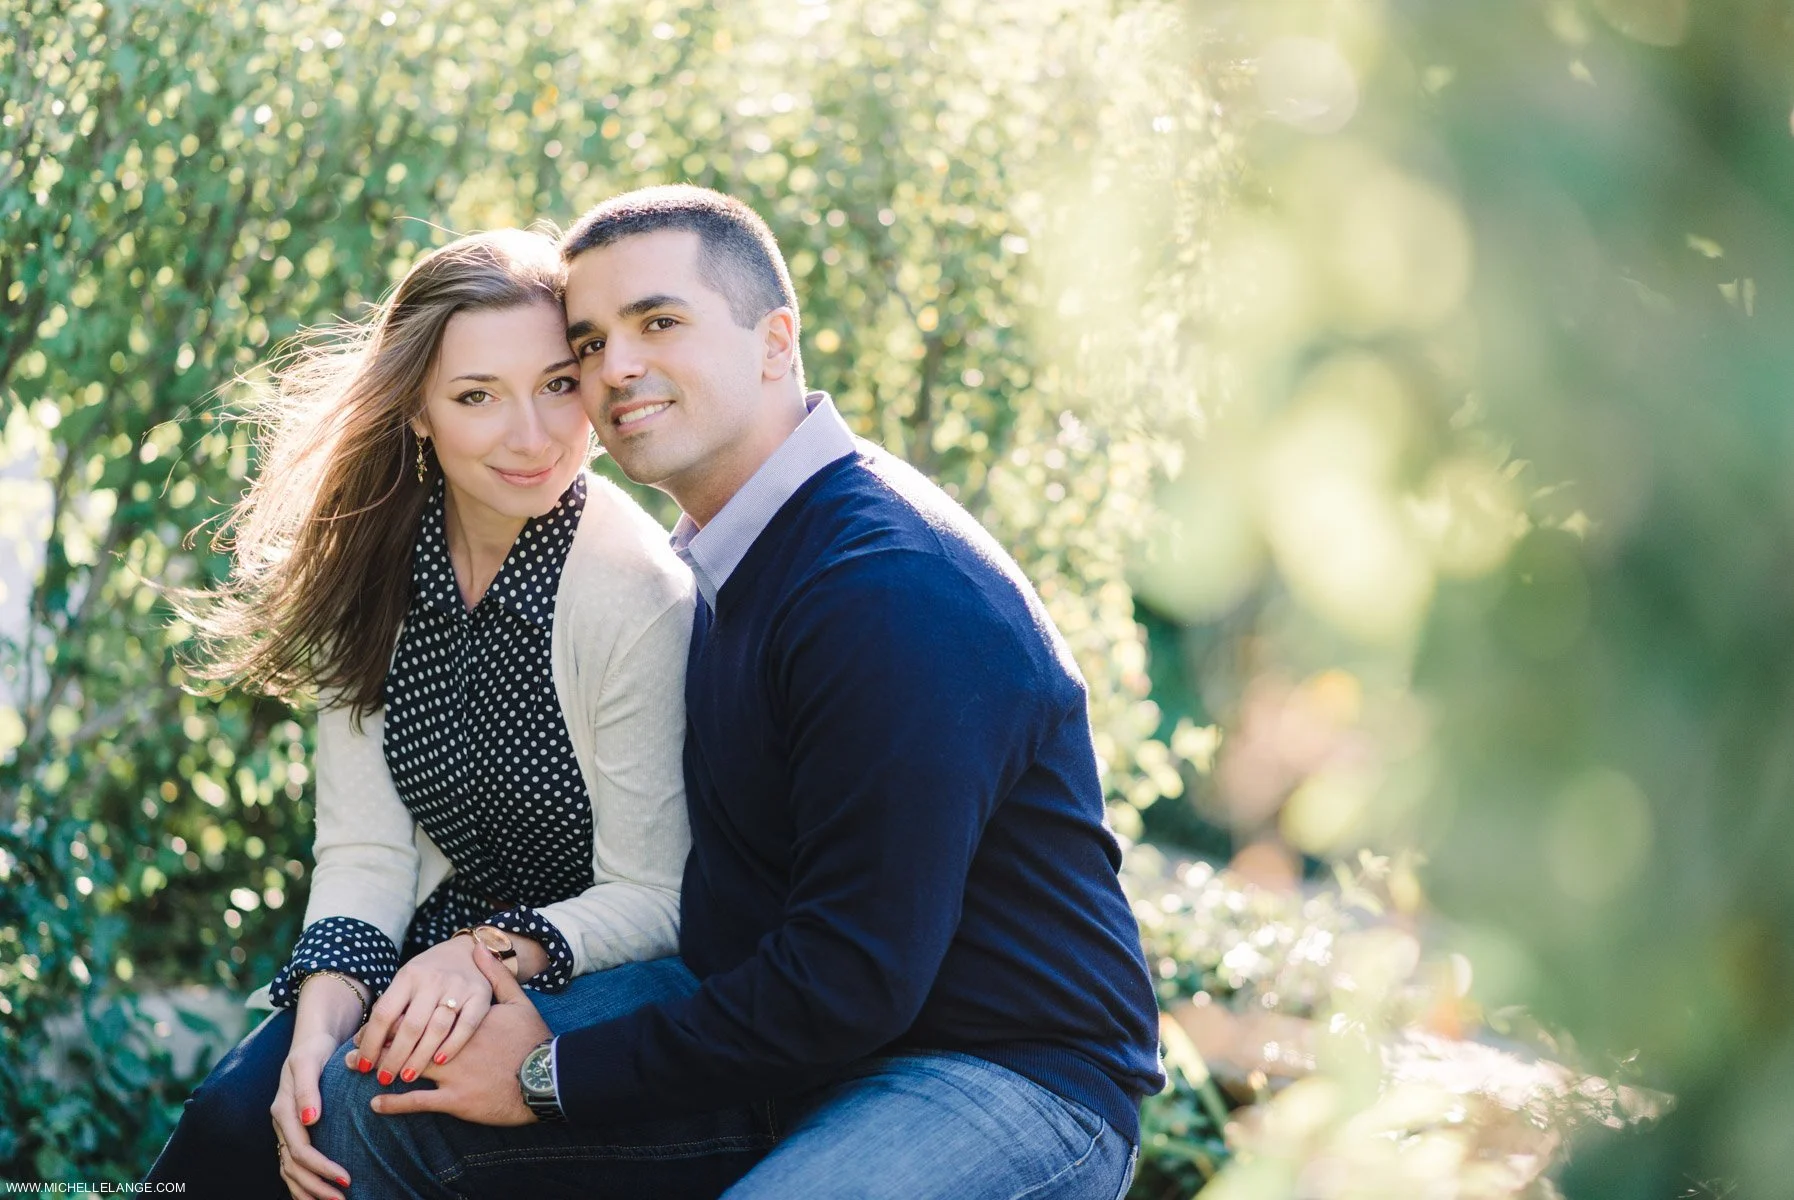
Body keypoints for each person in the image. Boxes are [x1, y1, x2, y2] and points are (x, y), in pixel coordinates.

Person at [313, 187, 1166, 1200]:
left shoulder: (888, 589)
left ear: (775, 342)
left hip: (999, 1075)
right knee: (388, 1107)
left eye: (659, 323)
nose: (615, 368)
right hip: (784, 1043)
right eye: (589, 343)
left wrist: (550, 1072)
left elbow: (854, 978)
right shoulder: (734, 555)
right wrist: (507, 981)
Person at [147, 228, 768, 1199]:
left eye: (560, 385)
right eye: (478, 396)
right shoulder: (377, 565)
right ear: (421, 413)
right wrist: (316, 1024)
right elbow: (367, 851)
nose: (532, 435)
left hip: (591, 970)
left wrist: (480, 957)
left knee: (367, 1124)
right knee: (236, 1122)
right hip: (422, 954)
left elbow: (654, 896)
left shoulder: (635, 592)